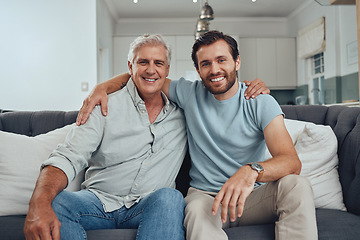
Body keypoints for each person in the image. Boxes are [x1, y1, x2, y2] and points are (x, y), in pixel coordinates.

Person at [77, 31, 318, 240]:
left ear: (237, 62)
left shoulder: (260, 101)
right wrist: (101, 88)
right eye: (206, 64)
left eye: (221, 60)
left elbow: (291, 162)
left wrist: (251, 170)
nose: (215, 69)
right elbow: (146, 76)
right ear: (198, 70)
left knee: (296, 185)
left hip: (251, 197)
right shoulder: (189, 93)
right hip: (206, 199)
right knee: (195, 214)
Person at [24, 34, 189, 240]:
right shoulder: (103, 105)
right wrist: (38, 203)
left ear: (167, 70)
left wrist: (243, 93)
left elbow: (220, 102)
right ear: (130, 67)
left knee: (170, 197)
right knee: (59, 202)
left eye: (158, 63)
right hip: (98, 202)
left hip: (149, 205)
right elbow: (68, 156)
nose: (150, 69)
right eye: (143, 62)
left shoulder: (183, 112)